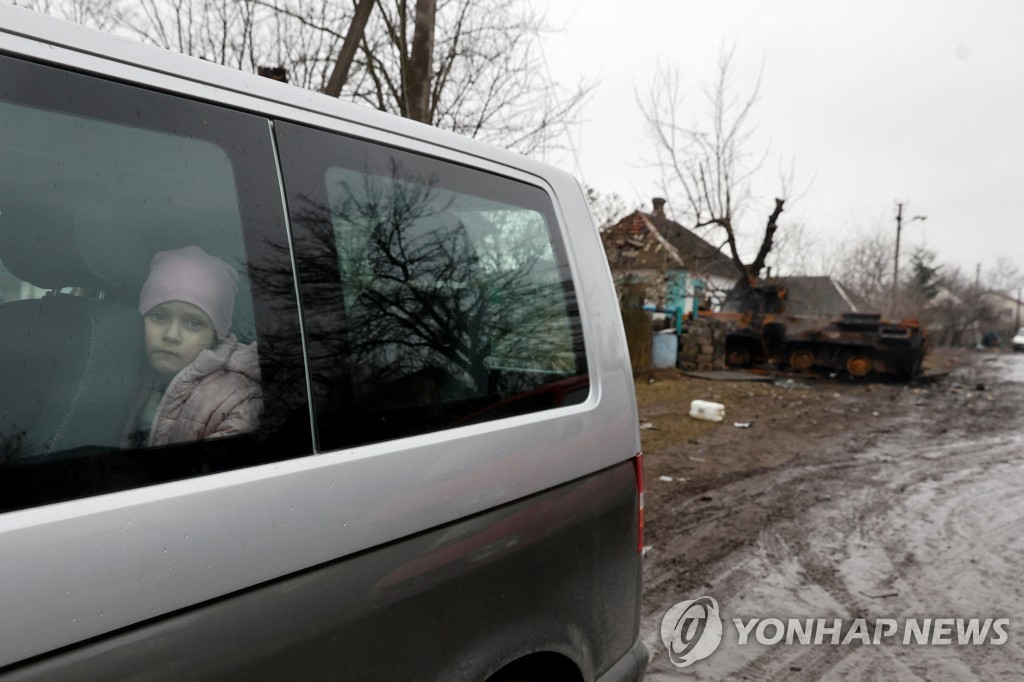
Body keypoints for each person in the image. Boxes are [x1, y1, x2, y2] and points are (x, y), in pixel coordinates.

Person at [123, 245, 262, 448]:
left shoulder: (238, 402)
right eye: (159, 316)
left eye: (194, 323)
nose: (171, 335)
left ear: (217, 335)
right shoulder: (127, 372)